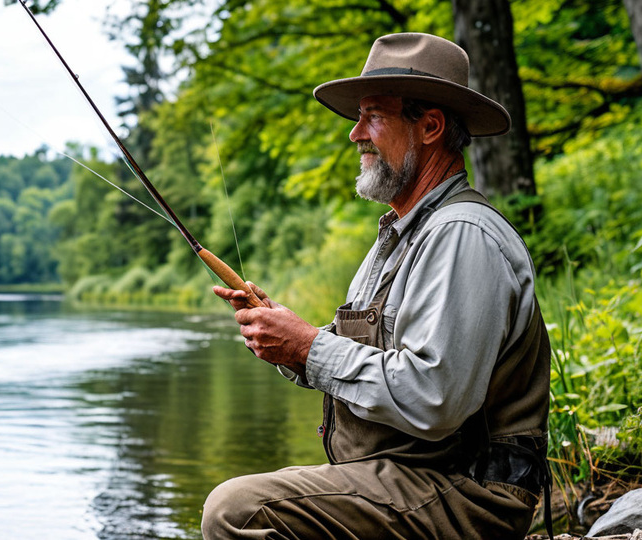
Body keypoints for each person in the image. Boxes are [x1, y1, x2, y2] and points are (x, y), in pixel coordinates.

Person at [201, 33, 551, 540]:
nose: (355, 134)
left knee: (234, 510)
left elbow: (434, 397)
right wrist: (288, 343)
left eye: (374, 116)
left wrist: (309, 345)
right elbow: (372, 354)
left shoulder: (461, 235)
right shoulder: (403, 233)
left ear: (429, 126)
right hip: (412, 482)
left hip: (468, 496)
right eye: (358, 117)